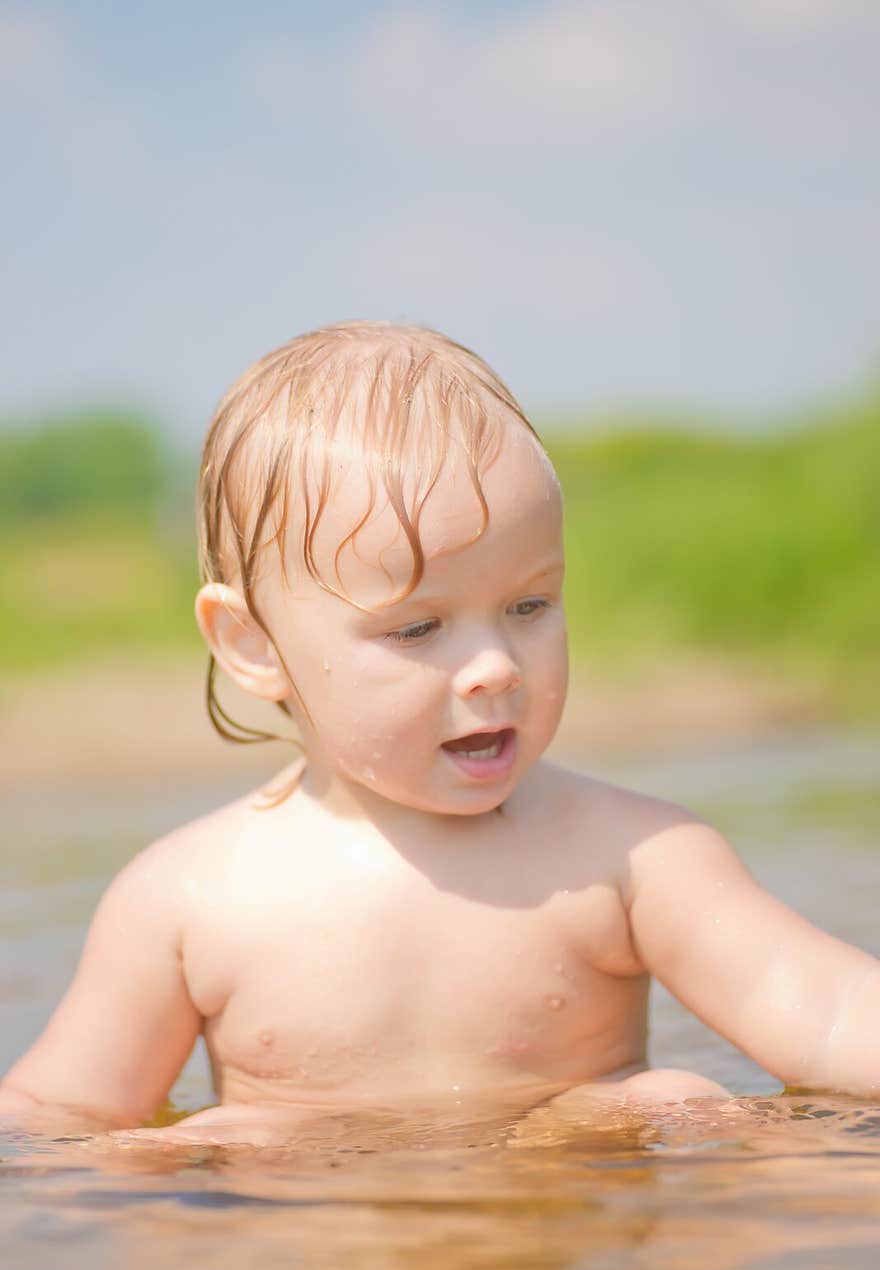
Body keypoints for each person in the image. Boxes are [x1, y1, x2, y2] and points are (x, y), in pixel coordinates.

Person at [2, 320, 878, 1148]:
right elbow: (61, 1107)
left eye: (529, 606)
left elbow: (824, 1010)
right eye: (417, 630)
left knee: (672, 1105)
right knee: (220, 1143)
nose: (496, 666)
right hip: (310, 1263)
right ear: (252, 645)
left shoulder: (634, 857)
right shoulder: (182, 901)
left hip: (566, 1229)